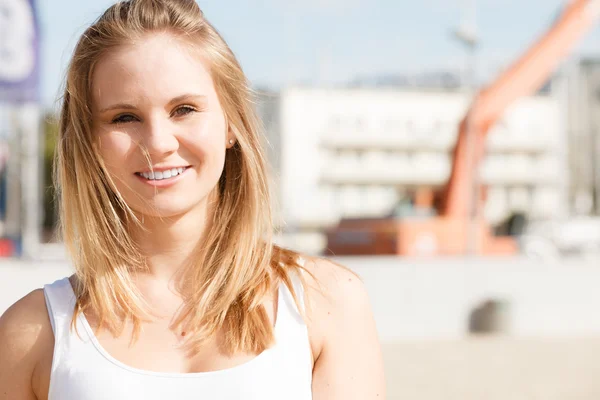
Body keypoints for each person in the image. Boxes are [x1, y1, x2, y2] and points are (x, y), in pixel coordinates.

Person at [0, 1, 385, 399]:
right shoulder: (31, 335)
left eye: (184, 109)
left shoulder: (326, 302)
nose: (159, 143)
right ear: (90, 143)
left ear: (231, 122)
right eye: (124, 117)